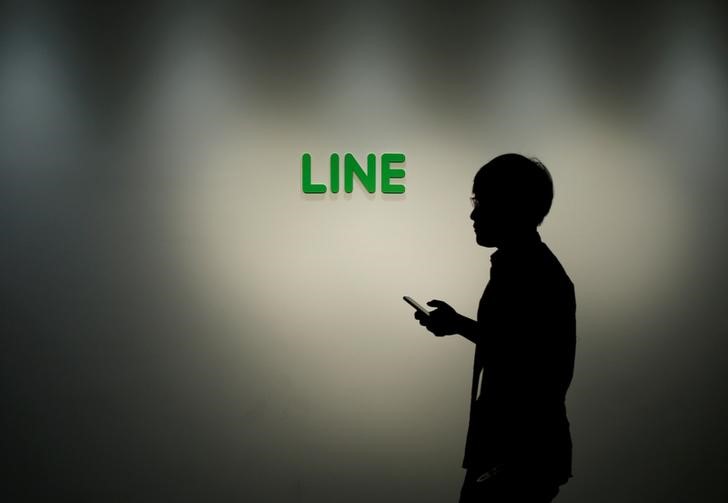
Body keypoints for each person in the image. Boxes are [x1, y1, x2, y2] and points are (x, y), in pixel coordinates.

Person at [414, 154, 576, 503]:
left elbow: (532, 362)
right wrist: (458, 325)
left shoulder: (534, 274)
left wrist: (459, 325)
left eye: (482, 203)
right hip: (519, 452)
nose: (473, 214)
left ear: (511, 206)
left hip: (519, 452)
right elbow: (518, 346)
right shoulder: (524, 268)